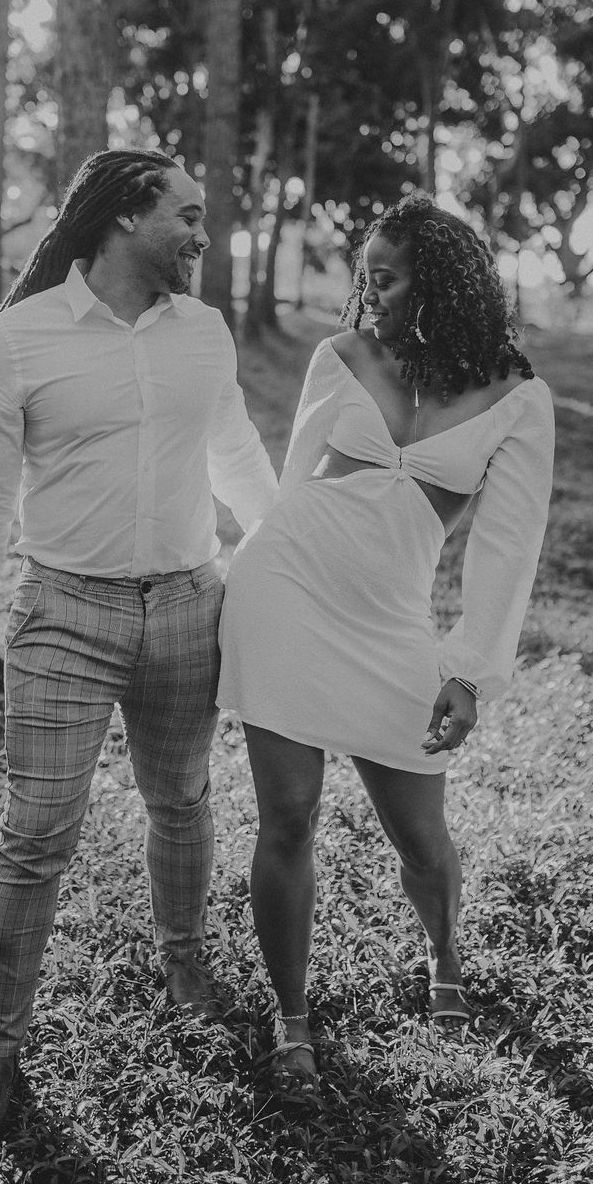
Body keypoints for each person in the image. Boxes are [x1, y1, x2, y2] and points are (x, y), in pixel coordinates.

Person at [0, 148, 277, 1142]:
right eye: (188, 212)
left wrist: (296, 552)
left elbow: (236, 457)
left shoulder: (204, 333)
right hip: (64, 616)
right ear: (127, 216)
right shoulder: (20, 338)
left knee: (182, 801)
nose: (203, 234)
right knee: (35, 836)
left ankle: (183, 968)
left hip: (187, 608)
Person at [217, 194, 555, 1087]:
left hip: (392, 626)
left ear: (441, 284)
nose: (369, 292)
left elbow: (507, 547)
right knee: (287, 817)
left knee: (420, 837)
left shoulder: (519, 400)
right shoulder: (343, 356)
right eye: (364, 274)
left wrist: (472, 672)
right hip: (285, 589)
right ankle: (293, 1026)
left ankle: (445, 961)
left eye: (387, 275)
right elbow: (293, 487)